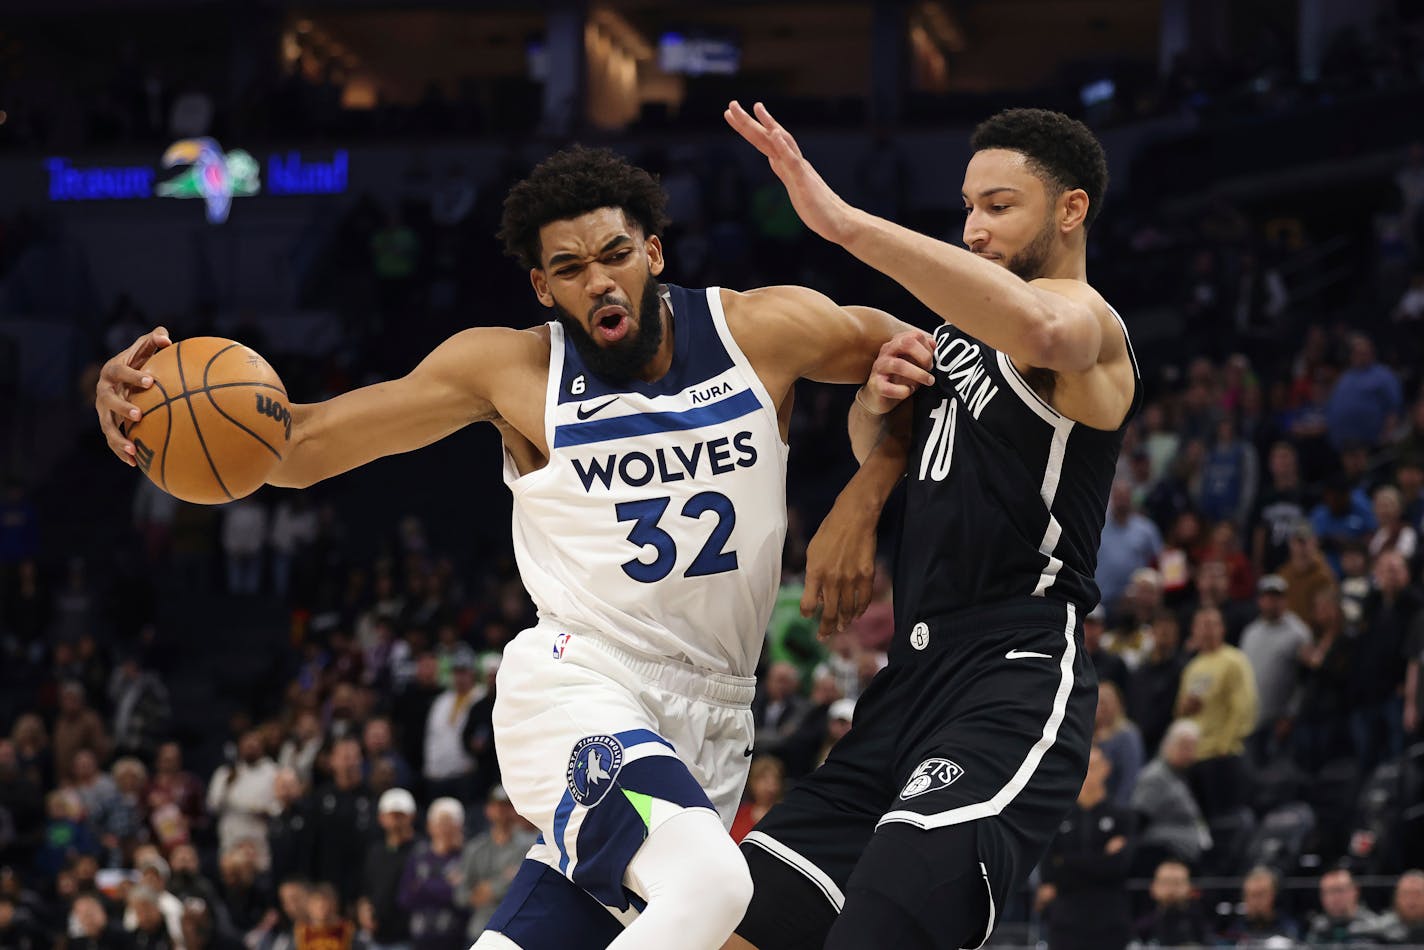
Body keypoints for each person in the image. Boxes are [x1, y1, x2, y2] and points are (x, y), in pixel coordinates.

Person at [96, 145, 911, 950]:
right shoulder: (509, 370)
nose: (599, 280)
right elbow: (301, 443)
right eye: (570, 267)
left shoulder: (761, 330)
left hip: (717, 714)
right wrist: (142, 408)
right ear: (543, 287)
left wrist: (862, 494)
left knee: (601, 915)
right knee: (710, 884)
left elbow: (928, 362)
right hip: (581, 683)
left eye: (617, 255)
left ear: (653, 253)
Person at [723, 102, 1138, 950]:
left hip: (1012, 674)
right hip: (906, 677)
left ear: (1070, 209)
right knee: (735, 920)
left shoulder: (1089, 323)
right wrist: (874, 412)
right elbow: (898, 442)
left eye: (998, 205)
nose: (974, 228)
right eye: (968, 206)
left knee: (881, 929)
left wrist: (842, 225)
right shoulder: (955, 338)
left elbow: (1039, 325)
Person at [1036, 747, 1136, 950]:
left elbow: (1120, 866)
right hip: (1066, 922)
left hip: (1110, 921)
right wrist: (1101, 858)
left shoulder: (1123, 817)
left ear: (1107, 769)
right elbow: (1049, 870)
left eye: (1093, 767)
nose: (1087, 774)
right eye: (1082, 767)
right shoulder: (1058, 818)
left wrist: (1067, 862)